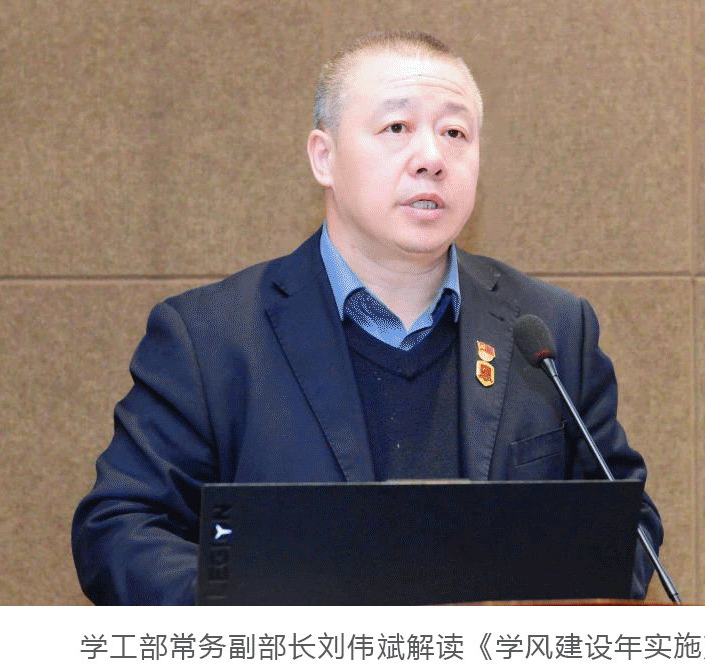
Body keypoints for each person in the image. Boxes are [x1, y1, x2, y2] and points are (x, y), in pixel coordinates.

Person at [72, 30, 663, 605]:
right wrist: (255, 617)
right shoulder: (210, 338)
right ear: (324, 157)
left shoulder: (550, 330)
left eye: (455, 132)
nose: (431, 158)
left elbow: (627, 526)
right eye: (396, 128)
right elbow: (121, 527)